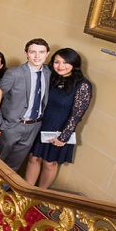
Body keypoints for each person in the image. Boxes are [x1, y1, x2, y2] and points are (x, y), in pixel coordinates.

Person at [25, 49, 92, 189]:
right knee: (33, 158)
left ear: (74, 63)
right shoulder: (51, 78)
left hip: (60, 128)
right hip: (41, 124)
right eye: (57, 62)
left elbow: (77, 115)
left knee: (49, 163)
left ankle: (40, 194)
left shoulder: (83, 85)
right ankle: (25, 192)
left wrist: (64, 136)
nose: (61, 66)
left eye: (66, 62)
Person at [0, 38, 51, 172]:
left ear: (47, 54)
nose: (37, 56)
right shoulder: (14, 74)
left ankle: (2, 190)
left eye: (41, 52)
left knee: (14, 165)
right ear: (26, 54)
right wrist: (1, 123)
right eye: (33, 52)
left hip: (34, 125)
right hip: (12, 126)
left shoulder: (48, 72)